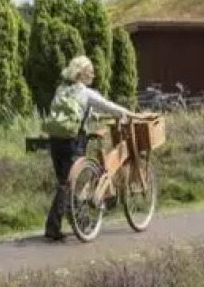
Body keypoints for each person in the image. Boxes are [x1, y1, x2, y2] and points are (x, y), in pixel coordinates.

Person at [41, 55, 138, 242]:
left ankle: (76, 223)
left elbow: (76, 113)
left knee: (65, 183)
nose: (93, 74)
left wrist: (95, 118)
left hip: (55, 140)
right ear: (82, 74)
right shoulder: (86, 92)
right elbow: (109, 106)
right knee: (70, 185)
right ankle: (58, 226)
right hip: (73, 142)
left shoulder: (61, 89)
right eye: (90, 71)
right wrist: (129, 114)